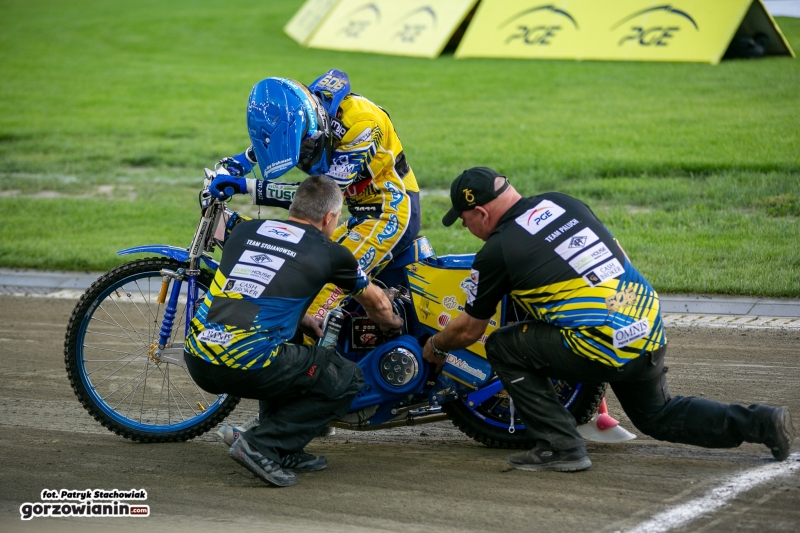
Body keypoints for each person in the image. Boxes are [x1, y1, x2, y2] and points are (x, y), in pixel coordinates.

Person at [422, 166, 795, 472]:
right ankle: (762, 422)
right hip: (644, 320)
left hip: (599, 340)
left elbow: (471, 329)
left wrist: (436, 346)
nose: (467, 229)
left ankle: (561, 446)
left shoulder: (498, 249)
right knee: (657, 416)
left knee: (503, 344)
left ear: (482, 213)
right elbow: (620, 254)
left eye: (465, 221)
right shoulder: (561, 202)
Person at [184, 176, 403, 487]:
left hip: (197, 358)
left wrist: (300, 320)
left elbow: (254, 291)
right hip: (245, 365)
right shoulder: (331, 252)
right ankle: (262, 443)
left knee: (291, 343)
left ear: (293, 206)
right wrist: (392, 325)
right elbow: (378, 304)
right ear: (329, 217)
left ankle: (284, 449)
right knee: (346, 378)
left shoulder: (244, 231)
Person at [208, 69, 421, 323]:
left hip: (389, 213)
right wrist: (236, 164)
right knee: (306, 277)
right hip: (360, 213)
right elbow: (275, 141)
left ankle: (311, 361)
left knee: (323, 295)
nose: (303, 156)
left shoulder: (363, 125)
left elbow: (317, 198)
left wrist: (248, 187)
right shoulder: (306, 113)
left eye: (306, 148)